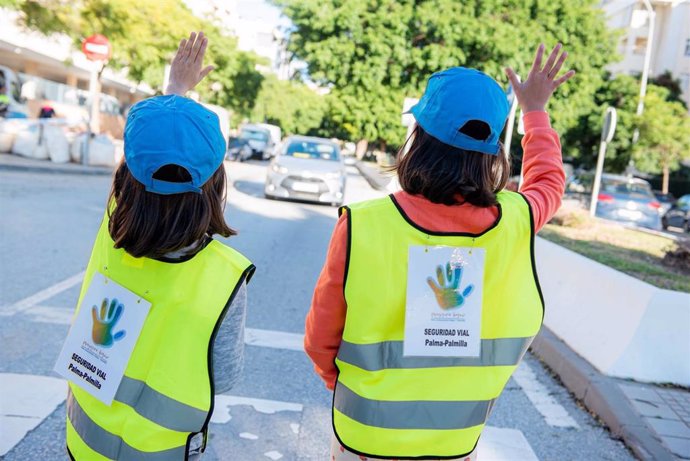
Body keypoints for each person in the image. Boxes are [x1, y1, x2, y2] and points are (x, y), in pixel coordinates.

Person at [305, 43, 575, 460]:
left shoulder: (362, 223)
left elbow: (321, 338)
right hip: (454, 442)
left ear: (419, 137)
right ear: (493, 152)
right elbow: (548, 183)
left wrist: (346, 388)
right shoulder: (517, 219)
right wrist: (535, 111)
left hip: (363, 435)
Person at [63, 32, 254, 460]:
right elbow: (223, 376)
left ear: (126, 178)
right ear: (215, 182)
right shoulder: (225, 275)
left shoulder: (113, 230)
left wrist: (174, 92)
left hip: (84, 441)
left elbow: (148, 154)